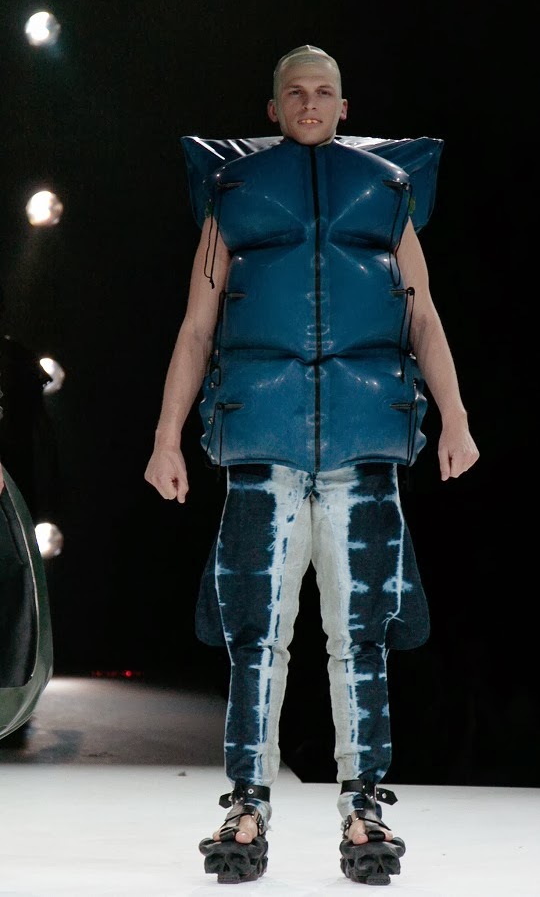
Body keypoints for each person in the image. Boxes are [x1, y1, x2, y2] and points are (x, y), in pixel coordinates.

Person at [144, 44, 479, 886]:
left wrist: (457, 418)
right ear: (272, 107)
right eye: (294, 92)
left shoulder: (386, 193)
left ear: (343, 104)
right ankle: (246, 803)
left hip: (362, 452)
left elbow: (424, 317)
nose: (308, 103)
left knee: (360, 638)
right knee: (256, 637)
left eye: (323, 91)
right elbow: (196, 326)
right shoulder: (233, 197)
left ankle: (363, 804)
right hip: (263, 448)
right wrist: (165, 437)